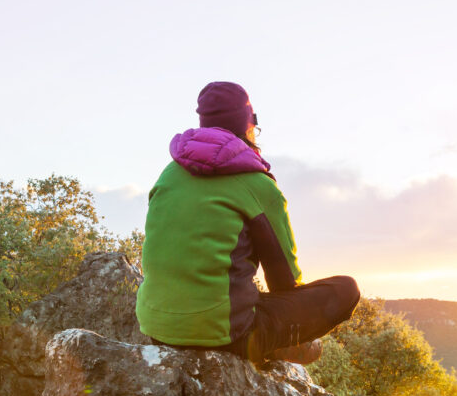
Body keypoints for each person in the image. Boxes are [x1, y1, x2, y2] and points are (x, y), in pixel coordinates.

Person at [135, 81, 359, 366]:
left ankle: (259, 339)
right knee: (346, 290)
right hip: (226, 334)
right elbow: (284, 283)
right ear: (248, 126)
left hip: (157, 328)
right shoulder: (257, 183)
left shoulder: (168, 173)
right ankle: (263, 345)